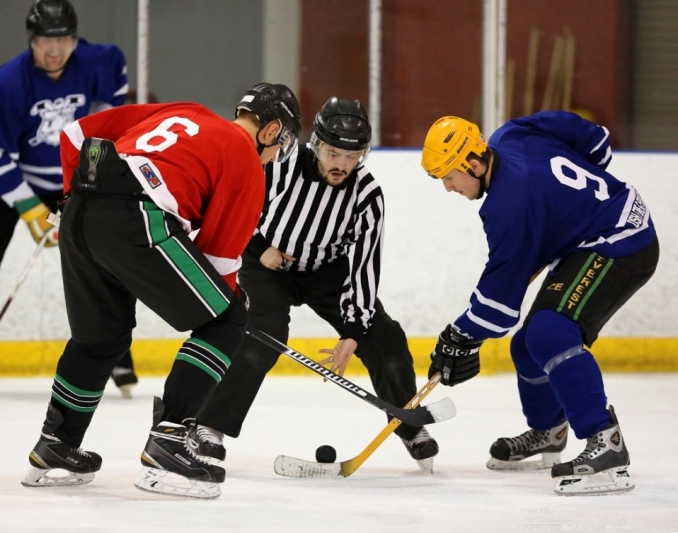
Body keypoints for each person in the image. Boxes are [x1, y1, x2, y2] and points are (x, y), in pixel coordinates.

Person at [20, 82, 303, 499]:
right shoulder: (245, 159)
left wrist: (70, 200)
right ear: (270, 130)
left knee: (101, 336)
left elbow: (76, 135)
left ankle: (56, 443)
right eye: (281, 143)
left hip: (81, 208)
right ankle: (170, 440)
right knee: (226, 318)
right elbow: (219, 262)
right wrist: (228, 312)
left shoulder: (189, 111)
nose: (277, 154)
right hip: (136, 212)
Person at [192, 96, 440, 472]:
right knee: (263, 335)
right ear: (317, 144)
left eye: (352, 156)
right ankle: (209, 426)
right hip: (268, 266)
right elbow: (235, 206)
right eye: (333, 153)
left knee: (384, 335)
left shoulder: (367, 194)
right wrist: (259, 250)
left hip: (326, 269)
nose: (342, 165)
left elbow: (363, 265)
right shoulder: (280, 166)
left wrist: (355, 330)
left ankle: (408, 423)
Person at [420, 111, 659, 495]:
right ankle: (549, 431)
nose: (448, 188)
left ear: (474, 163)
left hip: (622, 241)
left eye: (449, 176)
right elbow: (596, 141)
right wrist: (570, 212)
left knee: (550, 333)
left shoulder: (508, 206)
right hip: (606, 226)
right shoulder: (512, 133)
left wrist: (459, 335)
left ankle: (607, 441)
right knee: (528, 345)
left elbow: (500, 306)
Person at [0, 0, 137, 397]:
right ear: (33, 40)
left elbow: (113, 118)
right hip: (17, 179)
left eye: (63, 39)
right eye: (45, 40)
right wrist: (29, 209)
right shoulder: (9, 82)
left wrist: (89, 177)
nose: (55, 49)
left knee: (106, 260)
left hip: (73, 182)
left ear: (75, 39)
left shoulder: (101, 61)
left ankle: (116, 350)